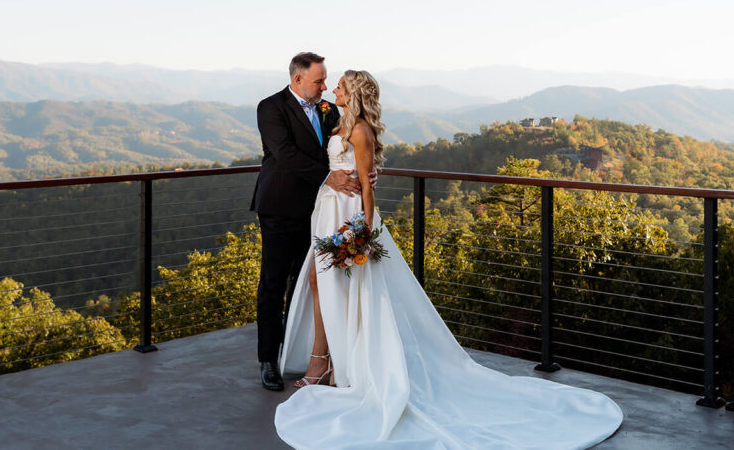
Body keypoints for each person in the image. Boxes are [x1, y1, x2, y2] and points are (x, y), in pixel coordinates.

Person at [275, 70, 624, 449]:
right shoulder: (338, 120)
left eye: (340, 84)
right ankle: (327, 360)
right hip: (326, 209)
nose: (333, 89)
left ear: (353, 92)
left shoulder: (360, 131)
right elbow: (324, 163)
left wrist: (364, 232)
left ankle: (340, 365)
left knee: (348, 290)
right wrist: (329, 179)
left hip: (349, 216)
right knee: (320, 282)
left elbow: (367, 185)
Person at [251, 52, 361, 392]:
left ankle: (303, 355)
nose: (325, 87)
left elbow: (345, 144)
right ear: (298, 79)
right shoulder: (270, 108)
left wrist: (364, 171)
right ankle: (269, 361)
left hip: (319, 211)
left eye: (326, 81)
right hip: (280, 207)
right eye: (318, 81)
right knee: (273, 283)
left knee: (310, 284)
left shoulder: (328, 109)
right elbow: (285, 154)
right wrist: (329, 177)